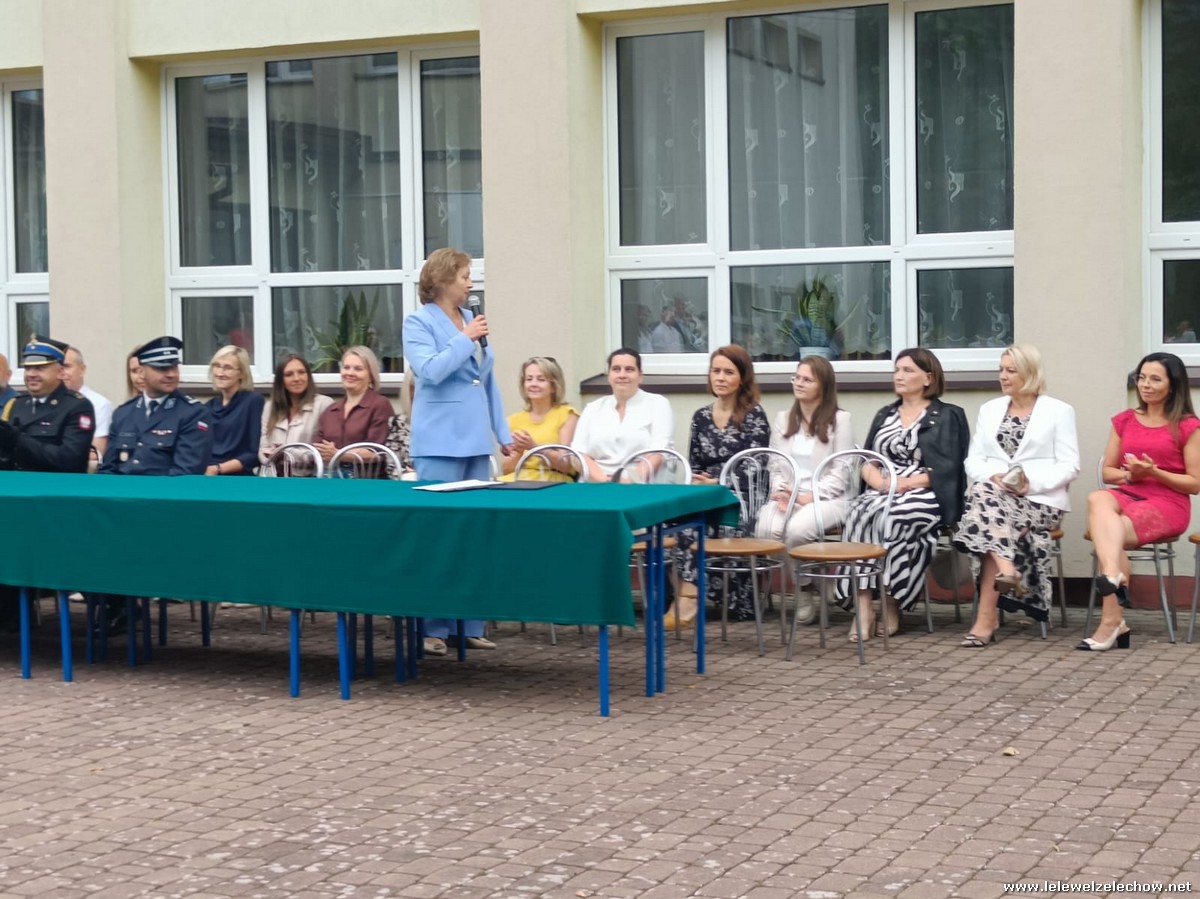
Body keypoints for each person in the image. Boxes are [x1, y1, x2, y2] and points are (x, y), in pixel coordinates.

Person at [402, 247, 513, 656]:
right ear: (444, 279)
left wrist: (502, 432)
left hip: (475, 440)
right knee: (438, 535)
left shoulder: (471, 319)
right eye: (465, 276)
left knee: (473, 534)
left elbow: (485, 380)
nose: (470, 283)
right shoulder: (418, 322)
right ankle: (433, 627)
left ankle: (469, 625)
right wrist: (465, 339)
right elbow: (430, 371)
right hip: (439, 441)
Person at [834, 348, 969, 641]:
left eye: (908, 370)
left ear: (928, 378)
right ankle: (863, 605)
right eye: (897, 369)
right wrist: (879, 481)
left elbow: (950, 468)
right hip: (883, 490)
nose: (899, 375)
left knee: (894, 517)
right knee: (859, 513)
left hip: (926, 492)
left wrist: (904, 483)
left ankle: (891, 601)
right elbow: (867, 460)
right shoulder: (885, 414)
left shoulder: (949, 415)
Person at [954, 345, 1079, 646]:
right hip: (996, 497)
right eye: (1001, 370)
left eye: (1011, 370)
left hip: (1040, 501)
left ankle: (988, 616)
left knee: (986, 513)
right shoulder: (989, 409)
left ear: (1030, 373)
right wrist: (994, 476)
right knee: (987, 499)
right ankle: (1005, 575)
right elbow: (973, 461)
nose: (1003, 376)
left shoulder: (1059, 411)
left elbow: (1070, 465)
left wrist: (1030, 485)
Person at [1081, 351, 1200, 652]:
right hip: (1129, 492)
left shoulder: (1187, 426)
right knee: (1098, 497)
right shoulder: (1124, 420)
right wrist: (1131, 475)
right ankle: (1112, 576)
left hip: (1168, 504)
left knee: (1110, 532)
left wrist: (1154, 472)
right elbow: (1108, 472)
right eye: (1141, 378)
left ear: (1173, 386)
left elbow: (1195, 483)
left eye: (1155, 379)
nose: (1145, 385)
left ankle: (1111, 620)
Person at [96, 336, 214, 632]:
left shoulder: (192, 413)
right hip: (123, 511)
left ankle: (121, 607)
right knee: (81, 534)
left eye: (174, 367)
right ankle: (118, 605)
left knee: (116, 543)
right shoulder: (125, 413)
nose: (171, 374)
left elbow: (185, 474)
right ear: (142, 372)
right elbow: (109, 469)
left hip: (165, 511)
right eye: (162, 368)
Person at [664, 345, 770, 627]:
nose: (720, 377)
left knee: (701, 526)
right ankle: (685, 596)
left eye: (728, 372)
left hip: (740, 494)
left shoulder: (754, 415)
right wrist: (699, 480)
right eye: (716, 371)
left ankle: (688, 601)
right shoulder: (700, 417)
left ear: (742, 378)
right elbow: (694, 462)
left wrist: (720, 481)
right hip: (707, 492)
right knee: (674, 523)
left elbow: (757, 465)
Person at [0, 336, 95, 629]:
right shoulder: (15, 405)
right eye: (28, 368)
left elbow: (68, 460)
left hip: (55, 505)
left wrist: (18, 441)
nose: (31, 374)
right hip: (16, 503)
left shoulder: (76, 407)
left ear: (60, 371)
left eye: (40, 368)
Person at [754, 355, 855, 626]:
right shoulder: (783, 418)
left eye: (807, 379)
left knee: (797, 531)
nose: (798, 383)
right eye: (796, 377)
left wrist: (809, 496)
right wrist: (782, 492)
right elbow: (775, 464)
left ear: (823, 385)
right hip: (789, 494)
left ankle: (803, 591)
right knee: (766, 530)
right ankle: (813, 584)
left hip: (829, 498)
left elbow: (842, 471)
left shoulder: (841, 420)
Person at [572, 348, 674, 482]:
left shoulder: (658, 404)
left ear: (640, 376)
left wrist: (629, 482)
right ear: (609, 376)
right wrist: (604, 481)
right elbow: (578, 453)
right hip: (596, 484)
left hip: (641, 485)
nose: (622, 375)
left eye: (629, 369)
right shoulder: (593, 408)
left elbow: (659, 451)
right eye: (616, 369)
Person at [314, 346, 393, 476]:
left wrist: (338, 454)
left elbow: (377, 452)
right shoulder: (331, 410)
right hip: (330, 479)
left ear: (371, 375)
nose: (350, 373)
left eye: (358, 369)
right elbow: (318, 448)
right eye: (346, 367)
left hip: (366, 482)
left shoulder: (380, 405)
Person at [500, 356, 580, 481]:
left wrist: (534, 447)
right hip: (516, 481)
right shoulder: (513, 420)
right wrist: (520, 451)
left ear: (554, 386)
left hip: (552, 481)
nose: (533, 384)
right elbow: (506, 470)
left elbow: (565, 465)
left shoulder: (567, 414)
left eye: (541, 379)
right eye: (529, 379)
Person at [258, 353, 334, 466]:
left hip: (307, 474)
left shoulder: (323, 404)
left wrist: (285, 453)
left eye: (301, 372)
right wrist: (270, 457)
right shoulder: (270, 407)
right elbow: (262, 450)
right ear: (280, 380)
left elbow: (323, 452)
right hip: (273, 473)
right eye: (289, 374)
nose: (296, 378)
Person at [205, 345, 264, 476]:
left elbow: (255, 453)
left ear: (242, 373)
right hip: (207, 476)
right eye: (217, 366)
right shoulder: (209, 406)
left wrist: (218, 469)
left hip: (238, 478)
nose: (220, 373)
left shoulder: (253, 402)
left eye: (228, 368)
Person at [62, 345, 114, 461]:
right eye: (59, 367)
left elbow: (97, 454)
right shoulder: (50, 403)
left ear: (82, 369)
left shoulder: (98, 404)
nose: (62, 372)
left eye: (66, 366)